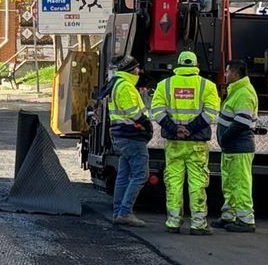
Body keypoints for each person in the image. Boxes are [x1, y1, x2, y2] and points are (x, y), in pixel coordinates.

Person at [151, 49, 220, 234]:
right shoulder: (207, 86)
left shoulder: (165, 85)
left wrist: (175, 129)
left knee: (173, 181)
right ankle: (198, 224)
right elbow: (211, 112)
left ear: (178, 64)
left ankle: (173, 222)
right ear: (196, 65)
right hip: (196, 144)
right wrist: (191, 129)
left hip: (174, 143)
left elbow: (156, 111)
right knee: (197, 183)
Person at [104, 56, 151, 227]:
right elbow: (132, 112)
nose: (139, 71)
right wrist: (146, 124)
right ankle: (125, 213)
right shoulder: (125, 86)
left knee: (123, 175)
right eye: (137, 68)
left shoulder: (117, 84)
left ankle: (118, 212)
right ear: (131, 70)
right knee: (140, 175)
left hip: (122, 136)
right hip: (132, 136)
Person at [217, 60, 259, 232]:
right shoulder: (237, 90)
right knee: (230, 184)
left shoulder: (244, 93)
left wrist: (224, 138)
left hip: (238, 147)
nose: (225, 75)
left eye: (227, 71)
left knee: (240, 184)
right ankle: (229, 215)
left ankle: (246, 220)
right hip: (232, 147)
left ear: (235, 74)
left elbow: (242, 122)